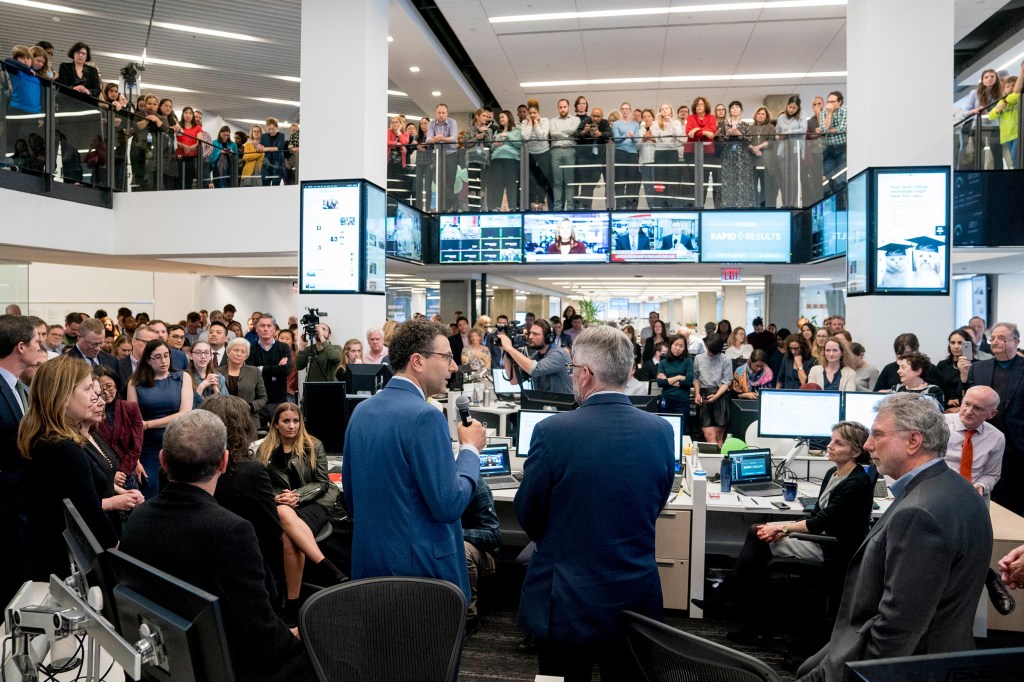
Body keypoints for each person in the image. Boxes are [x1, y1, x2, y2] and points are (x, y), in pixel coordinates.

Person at [796, 393, 992, 681]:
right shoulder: (957, 489)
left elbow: (898, 627)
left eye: (877, 434)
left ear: (914, 441)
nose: (867, 444)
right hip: (942, 653)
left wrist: (857, 675)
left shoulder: (920, 513)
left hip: (905, 665)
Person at [516, 325, 674, 682]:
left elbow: (529, 514)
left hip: (566, 598)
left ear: (585, 374)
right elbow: (656, 502)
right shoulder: (662, 431)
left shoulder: (552, 431)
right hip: (636, 596)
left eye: (572, 369)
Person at [118, 410, 315, 681]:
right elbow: (264, 638)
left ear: (162, 461)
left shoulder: (137, 518)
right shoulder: (232, 531)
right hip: (224, 665)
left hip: (167, 661)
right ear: (223, 463)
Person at [342, 318, 485, 608]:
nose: (454, 366)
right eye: (446, 357)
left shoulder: (361, 411)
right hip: (420, 578)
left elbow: (352, 499)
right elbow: (449, 504)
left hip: (371, 568)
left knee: (380, 652)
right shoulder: (425, 416)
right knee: (426, 652)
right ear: (417, 361)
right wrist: (470, 450)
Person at [695, 421, 872, 642]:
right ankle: (742, 610)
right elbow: (816, 514)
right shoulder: (832, 473)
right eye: (831, 440)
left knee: (757, 537)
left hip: (832, 548)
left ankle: (730, 599)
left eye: (838, 443)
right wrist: (781, 529)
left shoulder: (856, 483)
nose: (830, 445)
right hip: (821, 537)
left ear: (856, 451)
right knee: (759, 540)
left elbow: (820, 522)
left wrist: (782, 527)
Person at [21, 356, 120, 580]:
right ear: (64, 397)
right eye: (87, 389)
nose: (95, 396)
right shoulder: (63, 448)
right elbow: (89, 513)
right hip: (66, 564)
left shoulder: (43, 438)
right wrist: (117, 549)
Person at [259, 404, 347, 618]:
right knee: (287, 532)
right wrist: (276, 497)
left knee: (285, 522)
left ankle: (291, 606)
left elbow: (322, 483)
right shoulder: (265, 450)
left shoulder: (313, 445)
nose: (292, 426)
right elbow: (261, 485)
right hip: (281, 505)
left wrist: (297, 495)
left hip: (313, 503)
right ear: (276, 425)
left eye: (296, 421)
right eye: (286, 421)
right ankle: (327, 569)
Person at [198, 395, 285, 611]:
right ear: (242, 427)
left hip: (203, 578)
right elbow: (272, 533)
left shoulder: (195, 470)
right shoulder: (251, 472)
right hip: (249, 574)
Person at [0, 315, 40, 602]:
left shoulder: (19, 388)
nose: (40, 348)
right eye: (37, 341)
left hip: (20, 509)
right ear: (21, 347)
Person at [965, 322, 1024, 513]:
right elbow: (966, 398)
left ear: (1016, 341)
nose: (995, 342)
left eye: (1002, 338)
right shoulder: (978, 368)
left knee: (1012, 501)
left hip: (1016, 445)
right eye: (993, 338)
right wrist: (963, 377)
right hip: (982, 440)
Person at [127, 339, 193, 499]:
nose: (164, 361)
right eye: (157, 357)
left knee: (180, 494)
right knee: (151, 493)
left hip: (178, 444)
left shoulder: (182, 377)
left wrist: (148, 424)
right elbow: (133, 422)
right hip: (148, 448)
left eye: (166, 355)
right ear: (148, 360)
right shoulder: (135, 383)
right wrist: (135, 460)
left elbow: (185, 413)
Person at [81, 374, 145, 535]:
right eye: (93, 394)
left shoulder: (92, 433)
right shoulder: (68, 444)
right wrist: (113, 502)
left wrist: (123, 491)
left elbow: (135, 444)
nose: (101, 401)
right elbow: (76, 504)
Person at [942, 385, 1004, 501]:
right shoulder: (939, 424)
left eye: (977, 408)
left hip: (973, 495)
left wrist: (981, 486)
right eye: (966, 404)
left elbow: (992, 474)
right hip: (938, 490)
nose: (969, 411)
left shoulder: (996, 437)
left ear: (992, 414)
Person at [93, 366, 144, 495]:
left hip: (126, 472)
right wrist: (111, 474)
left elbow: (136, 445)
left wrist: (123, 471)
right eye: (100, 388)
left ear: (116, 384)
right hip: (102, 474)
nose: (106, 392)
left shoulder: (131, 408)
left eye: (109, 386)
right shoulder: (91, 413)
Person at [463, 477, 501, 636]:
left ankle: (469, 618)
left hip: (483, 554)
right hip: (441, 546)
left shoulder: (476, 484)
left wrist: (454, 534)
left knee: (461, 550)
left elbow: (494, 536)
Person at [499, 318, 573, 394]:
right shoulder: (537, 356)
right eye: (530, 333)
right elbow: (514, 380)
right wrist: (506, 352)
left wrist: (510, 348)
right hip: (545, 404)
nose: (530, 337)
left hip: (563, 404)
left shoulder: (558, 354)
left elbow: (535, 369)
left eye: (535, 334)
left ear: (548, 338)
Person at [247, 314, 292, 424]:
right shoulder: (251, 349)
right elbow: (252, 373)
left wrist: (261, 368)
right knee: (257, 437)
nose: (266, 329)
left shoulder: (283, 348)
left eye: (269, 326)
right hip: (257, 401)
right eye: (262, 326)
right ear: (257, 329)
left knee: (280, 436)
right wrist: (277, 368)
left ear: (274, 329)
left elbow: (286, 370)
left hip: (279, 401)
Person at [218, 337, 268, 432]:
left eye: (243, 352)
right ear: (228, 352)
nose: (239, 354)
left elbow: (263, 398)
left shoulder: (255, 372)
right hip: (224, 421)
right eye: (236, 350)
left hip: (249, 421)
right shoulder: (217, 372)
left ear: (246, 356)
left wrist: (249, 407)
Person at [694, 334, 732, 446]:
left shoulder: (726, 360)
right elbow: (696, 378)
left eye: (712, 351)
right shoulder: (698, 358)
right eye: (708, 349)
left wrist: (716, 396)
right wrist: (697, 393)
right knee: (709, 436)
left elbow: (727, 381)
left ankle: (719, 461)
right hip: (704, 394)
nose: (710, 352)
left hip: (720, 395)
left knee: (719, 435)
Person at [656, 334, 694, 430]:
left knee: (681, 431)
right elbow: (660, 382)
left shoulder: (688, 361)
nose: (678, 348)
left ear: (685, 348)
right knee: (664, 429)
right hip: (666, 400)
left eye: (681, 346)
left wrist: (668, 380)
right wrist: (679, 377)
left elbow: (689, 382)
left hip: (682, 402)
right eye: (675, 345)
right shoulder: (663, 362)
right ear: (670, 345)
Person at [427, 103, 459, 211]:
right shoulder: (431, 123)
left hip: (451, 154)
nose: (441, 115)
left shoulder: (452, 122)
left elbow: (454, 138)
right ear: (436, 113)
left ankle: (445, 208)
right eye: (439, 113)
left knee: (450, 182)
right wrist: (437, 139)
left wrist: (441, 138)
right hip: (437, 155)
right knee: (437, 179)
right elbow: (428, 139)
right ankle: (454, 200)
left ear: (447, 113)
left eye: (443, 113)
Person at [549, 98, 580, 210]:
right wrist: (566, 132)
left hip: (569, 151)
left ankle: (570, 207)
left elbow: (572, 130)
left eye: (564, 107)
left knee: (569, 181)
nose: (562, 109)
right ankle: (557, 206)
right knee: (557, 181)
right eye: (560, 107)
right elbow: (552, 133)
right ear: (558, 108)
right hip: (556, 151)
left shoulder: (575, 119)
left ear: (568, 107)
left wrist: (559, 133)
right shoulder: (552, 120)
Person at [488, 110, 522, 211]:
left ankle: (512, 207)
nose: (500, 119)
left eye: (502, 117)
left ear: (509, 118)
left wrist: (507, 135)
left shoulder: (517, 131)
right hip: (496, 159)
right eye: (500, 118)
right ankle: (497, 207)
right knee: (497, 184)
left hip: (511, 159)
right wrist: (495, 144)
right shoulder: (497, 132)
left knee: (510, 184)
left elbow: (519, 144)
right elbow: (491, 148)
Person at [611, 101, 641, 209]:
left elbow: (636, 140)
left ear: (630, 110)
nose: (625, 110)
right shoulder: (616, 124)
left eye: (627, 108)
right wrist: (625, 135)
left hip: (632, 154)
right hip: (620, 152)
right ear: (620, 110)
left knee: (631, 181)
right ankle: (620, 205)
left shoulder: (635, 124)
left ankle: (630, 205)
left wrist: (632, 137)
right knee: (620, 180)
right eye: (623, 108)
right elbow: (616, 139)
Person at [936, 329, 972, 408]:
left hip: (967, 405)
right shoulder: (942, 365)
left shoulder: (975, 365)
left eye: (960, 343)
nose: (956, 346)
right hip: (945, 405)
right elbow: (937, 387)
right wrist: (947, 400)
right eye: (952, 343)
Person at [188, 340, 228, 407]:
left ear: (210, 356)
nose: (203, 356)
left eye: (206, 353)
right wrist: (201, 386)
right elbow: (187, 408)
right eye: (198, 352)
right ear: (190, 355)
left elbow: (226, 406)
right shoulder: (185, 377)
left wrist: (215, 389)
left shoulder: (219, 377)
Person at [821, 91, 847, 189]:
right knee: (826, 175)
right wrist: (829, 113)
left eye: (833, 102)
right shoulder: (825, 112)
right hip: (829, 148)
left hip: (842, 147)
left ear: (839, 102)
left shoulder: (845, 110)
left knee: (840, 176)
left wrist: (829, 130)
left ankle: (841, 200)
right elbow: (824, 129)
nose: (830, 104)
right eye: (828, 102)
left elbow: (842, 128)